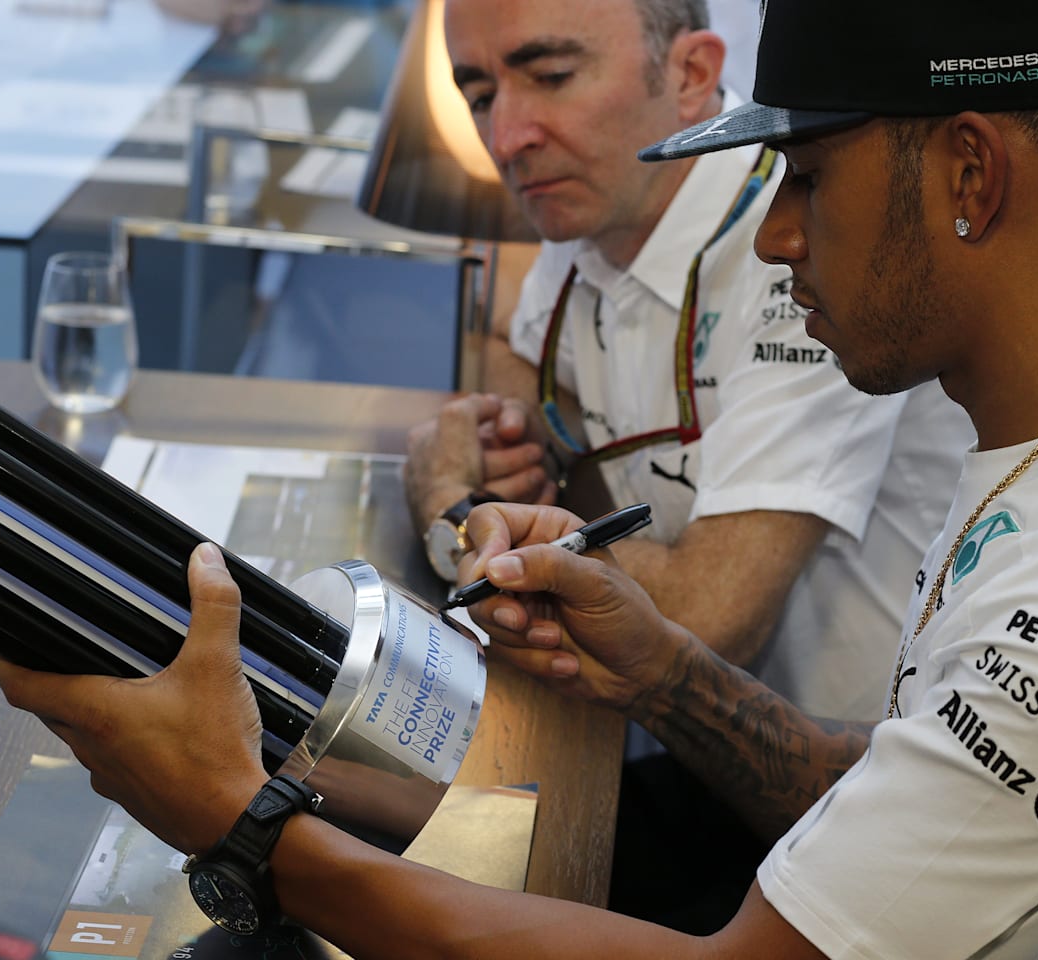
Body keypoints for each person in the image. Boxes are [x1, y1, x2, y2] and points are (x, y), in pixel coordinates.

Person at [0, 0, 1038, 956]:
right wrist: (664, 666)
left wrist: (242, 821)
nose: (776, 237)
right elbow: (881, 784)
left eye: (810, 180)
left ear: (971, 175)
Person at [404, 0, 972, 728]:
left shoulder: (815, 244)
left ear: (692, 74)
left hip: (846, 769)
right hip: (689, 743)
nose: (508, 138)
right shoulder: (596, 198)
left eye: (550, 76)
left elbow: (702, 619)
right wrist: (519, 437)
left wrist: (454, 509)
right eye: (480, 97)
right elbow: (523, 349)